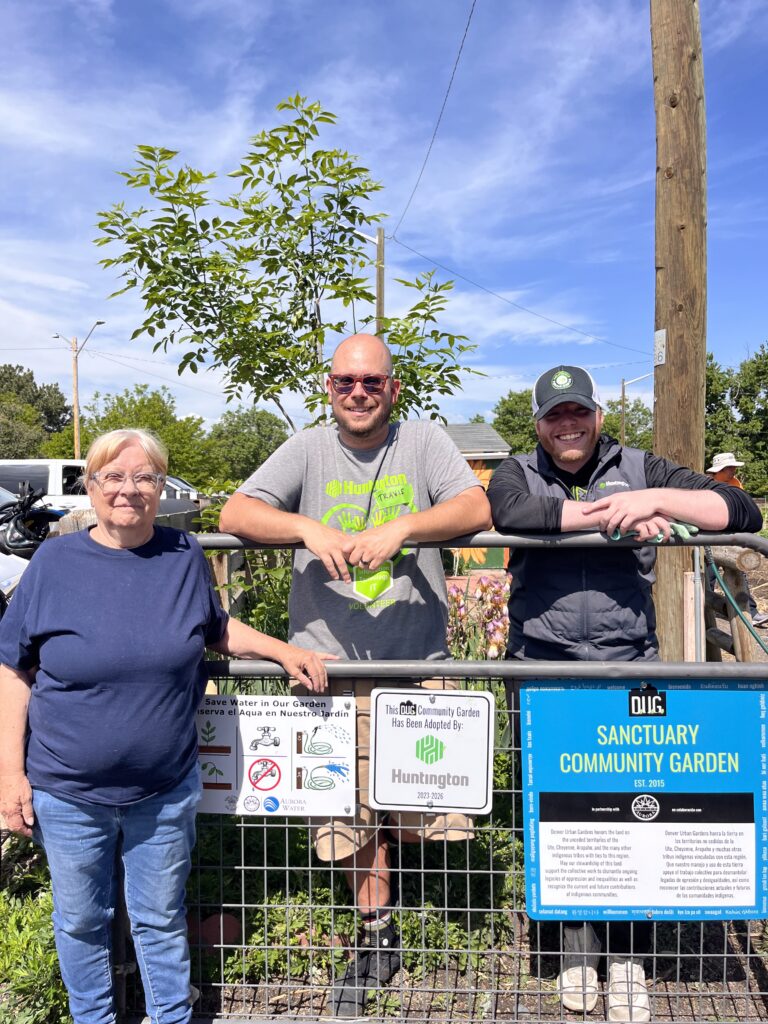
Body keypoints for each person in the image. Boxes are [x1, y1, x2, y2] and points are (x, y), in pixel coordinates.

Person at [0, 428, 332, 1024]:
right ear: (91, 487)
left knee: (159, 917)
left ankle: (171, 1016)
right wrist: (8, 774)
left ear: (161, 488)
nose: (128, 490)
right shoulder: (53, 563)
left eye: (144, 477)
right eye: (112, 477)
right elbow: (12, 671)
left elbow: (215, 627)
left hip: (163, 788)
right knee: (81, 921)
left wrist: (284, 650)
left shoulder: (182, 555)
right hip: (67, 790)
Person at [220, 332, 492, 1018]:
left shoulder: (422, 441)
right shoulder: (308, 449)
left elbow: (475, 507)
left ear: (393, 388)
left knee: (427, 817)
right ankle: (379, 933)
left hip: (416, 665)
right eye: (346, 381)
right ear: (330, 387)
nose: (359, 392)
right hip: (329, 668)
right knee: (347, 815)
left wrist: (405, 527)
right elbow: (235, 512)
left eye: (372, 381)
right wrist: (305, 529)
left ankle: (412, 884)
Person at [487, 366, 762, 1023]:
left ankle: (629, 958)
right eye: (555, 415)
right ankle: (575, 954)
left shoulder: (642, 468)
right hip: (543, 670)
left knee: (634, 811)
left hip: (627, 669)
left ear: (599, 416)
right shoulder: (516, 471)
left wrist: (654, 501)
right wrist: (614, 515)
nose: (568, 425)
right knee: (557, 815)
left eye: (578, 411)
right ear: (538, 424)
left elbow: (740, 511)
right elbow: (513, 514)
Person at [705, 452, 767, 626]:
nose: (733, 470)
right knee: (708, 576)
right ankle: (705, 611)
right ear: (719, 471)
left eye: (733, 467)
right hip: (711, 537)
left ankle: (750, 612)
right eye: (729, 468)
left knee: (739, 573)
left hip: (732, 537)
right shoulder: (706, 487)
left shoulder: (736, 484)